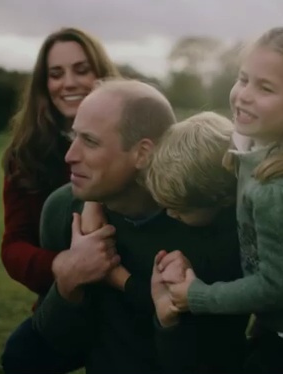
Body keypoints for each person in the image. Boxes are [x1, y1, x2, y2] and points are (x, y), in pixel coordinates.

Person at [155, 27, 283, 374]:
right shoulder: (275, 145)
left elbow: (277, 287)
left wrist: (198, 296)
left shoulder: (280, 190)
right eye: (243, 78)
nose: (243, 95)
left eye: (265, 87)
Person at [32, 78, 249, 374]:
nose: (70, 156)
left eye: (90, 142)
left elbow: (215, 353)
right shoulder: (63, 210)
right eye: (74, 137)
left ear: (143, 153)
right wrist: (69, 281)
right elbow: (57, 343)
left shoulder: (217, 216)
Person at [0, 27, 120, 373]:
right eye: (56, 74)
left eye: (82, 70)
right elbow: (14, 247)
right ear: (44, 84)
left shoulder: (136, 136)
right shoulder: (27, 155)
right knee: (21, 356)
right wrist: (65, 265)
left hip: (131, 298)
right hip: (67, 296)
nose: (68, 83)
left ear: (102, 74)